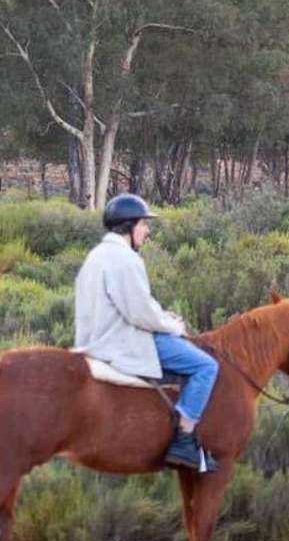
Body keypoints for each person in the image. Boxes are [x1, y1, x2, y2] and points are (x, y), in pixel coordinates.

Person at [74, 193, 220, 473]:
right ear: (129, 226)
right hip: (123, 340)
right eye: (143, 224)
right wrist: (174, 326)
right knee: (205, 366)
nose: (147, 231)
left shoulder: (96, 256)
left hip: (95, 339)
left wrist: (163, 317)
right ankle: (184, 440)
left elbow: (136, 306)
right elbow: (140, 314)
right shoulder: (125, 260)